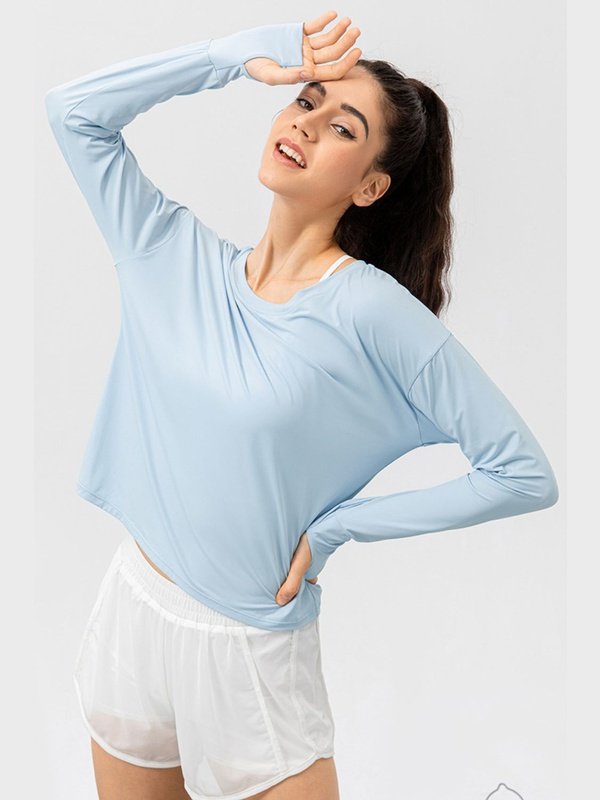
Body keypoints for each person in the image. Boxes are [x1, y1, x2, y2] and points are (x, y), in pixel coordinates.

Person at [45, 9, 559, 800]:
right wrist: (231, 56)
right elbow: (72, 112)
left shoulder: (371, 311)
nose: (307, 124)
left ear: (370, 186)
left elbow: (522, 473)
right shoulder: (167, 251)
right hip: (133, 612)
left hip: (250, 655)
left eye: (342, 127)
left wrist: (337, 529)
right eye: (306, 100)